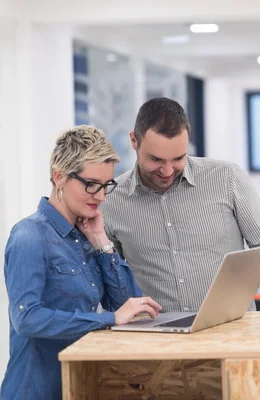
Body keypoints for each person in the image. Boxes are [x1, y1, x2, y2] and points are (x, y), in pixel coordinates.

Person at [1, 126, 162, 400]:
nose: (100, 196)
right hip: (35, 390)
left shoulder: (88, 234)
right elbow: (27, 319)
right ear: (59, 176)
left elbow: (130, 306)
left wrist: (101, 242)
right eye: (91, 185)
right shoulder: (29, 236)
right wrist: (107, 320)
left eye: (106, 186)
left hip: (79, 385)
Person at [100, 97, 260, 313]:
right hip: (157, 334)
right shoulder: (110, 199)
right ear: (134, 141)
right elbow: (114, 280)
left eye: (178, 158)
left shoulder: (227, 178)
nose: (167, 171)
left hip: (231, 329)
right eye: (156, 159)